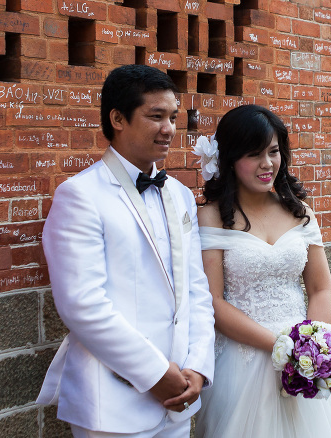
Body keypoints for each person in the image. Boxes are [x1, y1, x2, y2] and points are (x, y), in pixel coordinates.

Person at [192, 104, 331, 437]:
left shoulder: (301, 213)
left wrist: (313, 348)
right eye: (254, 154)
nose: (267, 164)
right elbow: (213, 301)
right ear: (230, 158)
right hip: (243, 360)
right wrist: (281, 348)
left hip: (305, 358)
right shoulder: (211, 218)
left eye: (273, 152)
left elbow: (320, 288)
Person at [36, 64, 215, 438]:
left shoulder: (180, 195)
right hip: (112, 403)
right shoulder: (80, 196)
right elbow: (81, 304)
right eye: (156, 116)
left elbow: (196, 289)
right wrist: (155, 373)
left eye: (172, 117)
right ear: (117, 118)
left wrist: (198, 365)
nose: (169, 129)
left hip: (179, 398)